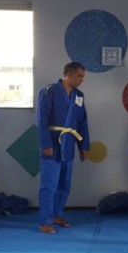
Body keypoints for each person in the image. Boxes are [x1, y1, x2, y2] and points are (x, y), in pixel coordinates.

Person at [36, 62, 91, 233]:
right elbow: (41, 120)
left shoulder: (79, 96)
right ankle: (45, 221)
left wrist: (83, 146)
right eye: (80, 76)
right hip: (52, 143)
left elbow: (82, 122)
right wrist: (45, 144)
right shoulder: (49, 91)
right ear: (69, 75)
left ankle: (57, 215)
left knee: (64, 185)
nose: (82, 80)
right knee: (49, 185)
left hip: (68, 144)